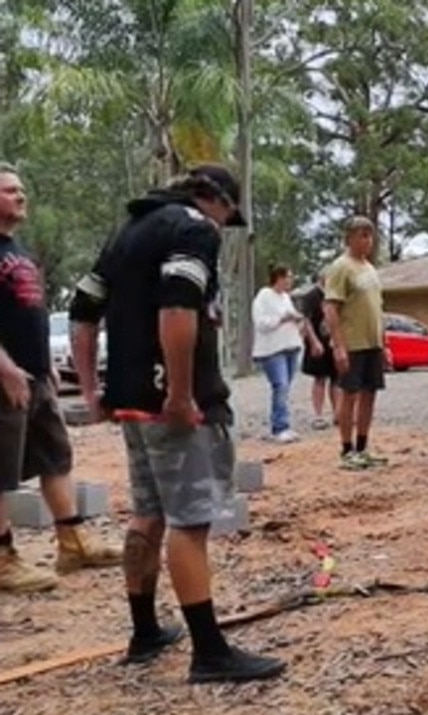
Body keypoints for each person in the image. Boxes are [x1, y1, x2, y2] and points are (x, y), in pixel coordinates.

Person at [68, 163, 286, 683]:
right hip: (175, 403)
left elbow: (82, 309)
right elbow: (177, 309)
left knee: (148, 513)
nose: (222, 229)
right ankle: (210, 653)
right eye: (226, 217)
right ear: (212, 197)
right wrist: (183, 394)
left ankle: (146, 632)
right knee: (190, 524)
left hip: (131, 401)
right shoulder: (191, 228)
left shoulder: (128, 232)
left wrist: (93, 390)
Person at [0, 163, 122, 594]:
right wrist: (6, 367)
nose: (21, 196)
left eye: (21, 189)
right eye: (11, 190)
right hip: (5, 378)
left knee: (57, 456)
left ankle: (72, 543)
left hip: (34, 375)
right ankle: (3, 560)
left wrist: (43, 366)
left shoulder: (16, 248)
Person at [323, 216, 391, 471]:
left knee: (369, 394)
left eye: (370, 235)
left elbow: (378, 309)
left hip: (372, 342)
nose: (367, 240)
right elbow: (331, 308)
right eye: (362, 235)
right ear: (349, 238)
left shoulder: (370, 269)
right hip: (352, 343)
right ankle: (346, 449)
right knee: (349, 395)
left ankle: (363, 447)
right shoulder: (341, 267)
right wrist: (339, 346)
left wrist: (384, 345)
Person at [250, 264, 315, 443]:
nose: (290, 281)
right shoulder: (264, 297)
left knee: (285, 388)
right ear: (278, 278)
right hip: (272, 349)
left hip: (290, 346)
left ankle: (283, 423)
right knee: (280, 385)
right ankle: (279, 427)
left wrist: (297, 320)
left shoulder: (286, 297)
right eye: (288, 277)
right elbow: (261, 323)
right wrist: (282, 319)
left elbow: (292, 315)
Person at [298, 270, 340, 430]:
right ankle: (318, 415)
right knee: (319, 378)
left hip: (333, 342)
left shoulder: (335, 295)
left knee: (336, 379)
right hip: (318, 342)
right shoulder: (311, 296)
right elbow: (306, 321)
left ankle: (337, 413)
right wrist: (314, 341)